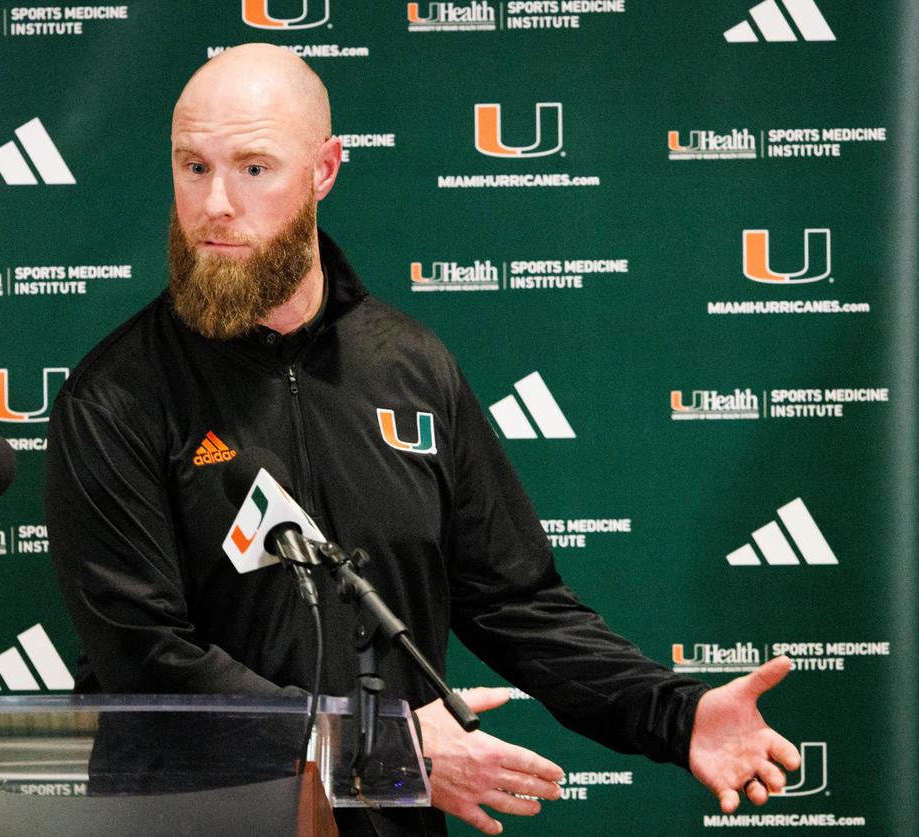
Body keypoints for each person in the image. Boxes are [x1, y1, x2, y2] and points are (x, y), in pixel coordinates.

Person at [45, 43, 799, 836]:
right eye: (193, 167)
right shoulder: (116, 395)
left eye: (254, 168)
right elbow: (150, 663)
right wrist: (382, 746)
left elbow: (516, 601)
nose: (216, 204)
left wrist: (675, 715)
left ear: (325, 170)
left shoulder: (409, 366)